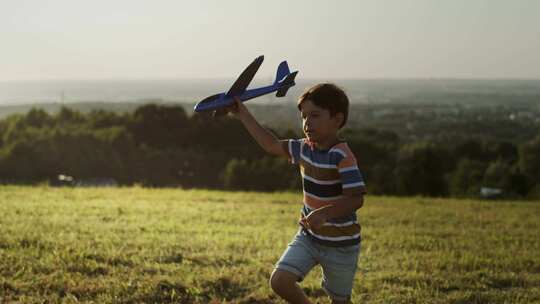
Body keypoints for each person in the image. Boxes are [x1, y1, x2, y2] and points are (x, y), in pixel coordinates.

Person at [227, 83, 366, 304]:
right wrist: (242, 113)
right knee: (280, 281)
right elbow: (271, 144)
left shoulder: (342, 155)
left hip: (341, 244)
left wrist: (325, 213)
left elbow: (356, 197)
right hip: (309, 237)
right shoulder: (304, 148)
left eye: (315, 115)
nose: (307, 122)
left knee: (340, 301)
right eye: (303, 116)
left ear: (337, 120)